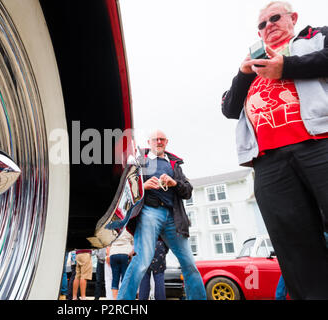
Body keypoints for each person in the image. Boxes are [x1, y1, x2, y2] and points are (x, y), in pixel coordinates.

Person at [221, 1, 328, 299]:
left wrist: (287, 67)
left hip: (319, 144)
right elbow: (229, 108)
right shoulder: (253, 65)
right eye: (261, 24)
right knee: (295, 249)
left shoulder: (316, 38)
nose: (268, 26)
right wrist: (244, 73)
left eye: (274, 18)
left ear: (293, 18)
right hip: (269, 162)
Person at [117, 130, 206, 300]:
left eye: (162, 139)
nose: (158, 141)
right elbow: (126, 187)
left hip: (173, 216)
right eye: (155, 139)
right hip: (150, 212)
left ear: (166, 142)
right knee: (142, 261)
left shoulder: (174, 164)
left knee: (189, 263)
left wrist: (174, 183)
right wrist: (144, 186)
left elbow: (188, 191)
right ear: (148, 142)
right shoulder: (139, 161)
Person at [109, 228, 134, 300]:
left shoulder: (113, 229)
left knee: (115, 278)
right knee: (125, 278)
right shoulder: (128, 228)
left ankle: (115, 298)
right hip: (125, 253)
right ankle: (123, 298)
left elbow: (108, 241)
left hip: (113, 253)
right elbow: (133, 241)